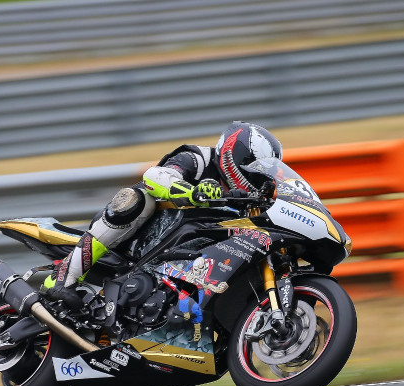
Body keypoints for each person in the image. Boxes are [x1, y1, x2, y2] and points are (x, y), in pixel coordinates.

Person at [42, 120, 283, 307]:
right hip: (139, 236)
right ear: (235, 156)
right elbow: (155, 176)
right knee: (136, 199)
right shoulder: (197, 159)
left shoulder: (252, 198)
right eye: (253, 169)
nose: (256, 178)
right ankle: (64, 276)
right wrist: (192, 193)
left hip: (190, 257)